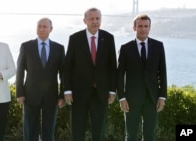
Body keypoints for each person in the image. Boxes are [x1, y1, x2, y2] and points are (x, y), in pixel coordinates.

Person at [64, 7, 117, 141]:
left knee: (99, 132)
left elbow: (112, 66)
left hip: (101, 93)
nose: (95, 21)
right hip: (78, 93)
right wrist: (67, 90)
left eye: (97, 18)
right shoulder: (75, 39)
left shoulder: (108, 38)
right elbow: (68, 67)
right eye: (91, 18)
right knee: (77, 131)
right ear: (85, 20)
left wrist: (112, 90)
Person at [117, 14, 167, 141]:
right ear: (134, 28)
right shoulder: (125, 48)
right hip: (131, 99)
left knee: (150, 136)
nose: (143, 29)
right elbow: (119, 75)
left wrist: (162, 96)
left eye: (146, 26)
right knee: (131, 135)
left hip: (152, 98)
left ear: (150, 28)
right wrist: (121, 98)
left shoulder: (159, 46)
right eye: (140, 26)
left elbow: (163, 73)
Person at [16, 17, 65, 141]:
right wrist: (19, 93)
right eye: (39, 26)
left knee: (48, 131)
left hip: (51, 95)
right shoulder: (26, 46)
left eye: (45, 26)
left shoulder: (59, 48)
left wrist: (62, 95)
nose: (41, 29)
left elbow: (63, 73)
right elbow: (20, 71)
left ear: (51, 29)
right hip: (30, 95)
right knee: (30, 130)